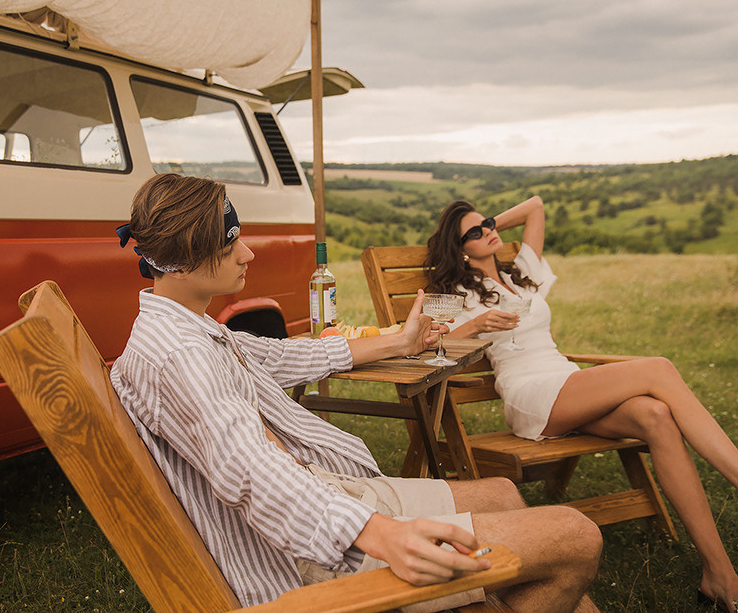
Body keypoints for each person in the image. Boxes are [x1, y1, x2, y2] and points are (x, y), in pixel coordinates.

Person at [109, 173, 602, 612]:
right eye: (230, 244)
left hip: (328, 494)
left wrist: (401, 342)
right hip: (308, 549)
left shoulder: (189, 329)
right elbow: (248, 469)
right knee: (575, 536)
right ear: (183, 260)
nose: (248, 253)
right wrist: (383, 535)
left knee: (505, 495)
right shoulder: (177, 356)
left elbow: (286, 357)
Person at [428, 195, 738, 612]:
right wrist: (478, 323)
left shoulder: (519, 272)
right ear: (459, 248)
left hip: (565, 378)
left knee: (656, 415)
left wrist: (482, 228)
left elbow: (537, 205)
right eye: (474, 232)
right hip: (530, 392)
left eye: (488, 223)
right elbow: (432, 345)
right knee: (658, 369)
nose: (488, 231)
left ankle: (719, 575)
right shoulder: (460, 292)